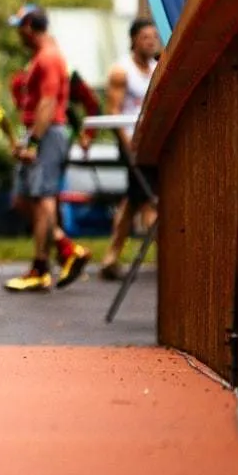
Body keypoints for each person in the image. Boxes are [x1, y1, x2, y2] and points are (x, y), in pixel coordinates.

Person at [4, 4, 90, 292]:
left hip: (48, 133)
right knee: (22, 199)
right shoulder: (39, 58)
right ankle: (66, 248)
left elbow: (48, 103)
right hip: (37, 131)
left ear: (29, 26)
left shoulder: (50, 58)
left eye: (19, 26)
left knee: (43, 197)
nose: (18, 33)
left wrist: (36, 142)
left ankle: (40, 268)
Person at [99, 17, 161, 279]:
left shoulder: (158, 68)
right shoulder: (121, 71)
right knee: (147, 199)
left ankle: (111, 257)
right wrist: (130, 149)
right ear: (134, 39)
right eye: (146, 37)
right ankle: (163, 257)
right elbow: (113, 111)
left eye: (153, 37)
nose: (151, 42)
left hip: (153, 143)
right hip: (132, 145)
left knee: (136, 200)